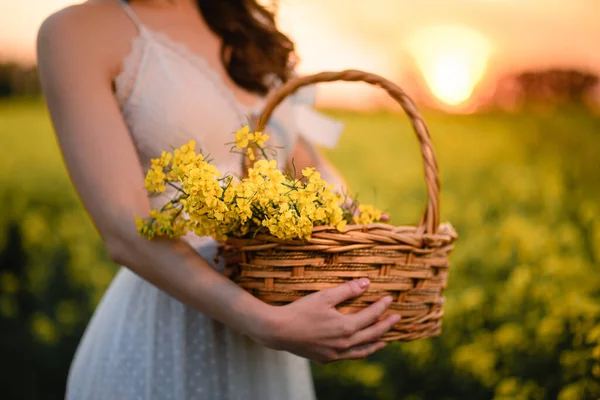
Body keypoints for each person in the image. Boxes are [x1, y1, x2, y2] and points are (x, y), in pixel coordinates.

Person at [37, 0, 400, 398]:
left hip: (272, 338)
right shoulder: (75, 32)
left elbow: (311, 173)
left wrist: (359, 237)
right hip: (168, 329)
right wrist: (267, 324)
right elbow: (125, 229)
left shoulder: (248, 27)